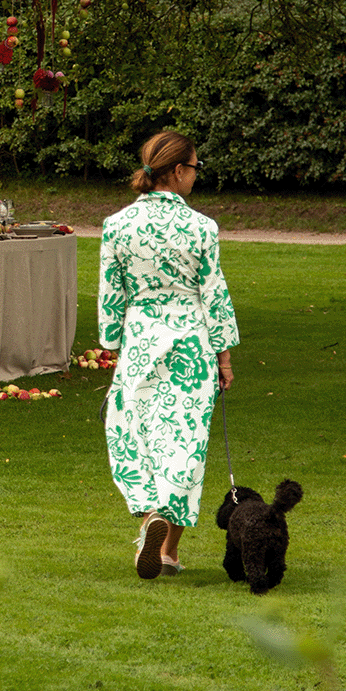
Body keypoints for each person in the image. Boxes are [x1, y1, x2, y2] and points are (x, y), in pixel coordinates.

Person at [98, 129, 238, 581]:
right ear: (177, 171)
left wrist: (112, 345)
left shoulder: (117, 225)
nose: (197, 176)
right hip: (192, 342)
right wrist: (224, 357)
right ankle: (168, 550)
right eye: (196, 168)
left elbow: (110, 295)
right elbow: (213, 294)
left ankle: (148, 519)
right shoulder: (202, 228)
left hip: (141, 338)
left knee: (133, 431)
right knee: (184, 442)